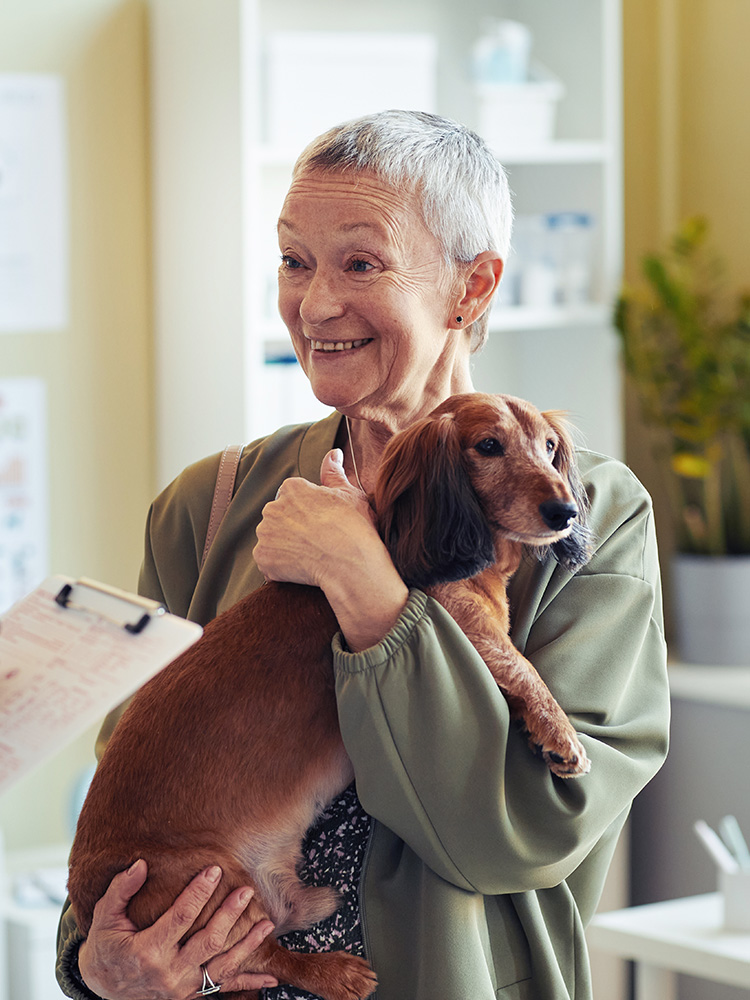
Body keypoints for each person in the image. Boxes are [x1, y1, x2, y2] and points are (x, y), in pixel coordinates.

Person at [57, 109, 669, 1000]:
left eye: (361, 263)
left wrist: (368, 587)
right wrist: (95, 963)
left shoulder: (589, 521)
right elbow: (131, 804)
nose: (315, 305)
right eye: (293, 261)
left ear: (473, 287)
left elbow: (521, 833)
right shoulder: (210, 504)